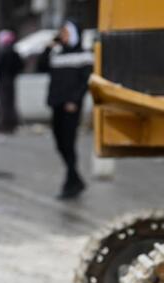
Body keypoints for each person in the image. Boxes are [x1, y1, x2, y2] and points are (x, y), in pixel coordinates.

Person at [38, 20, 93, 200]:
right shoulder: (57, 54)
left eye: (65, 33)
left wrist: (74, 100)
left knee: (69, 143)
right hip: (56, 103)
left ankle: (71, 182)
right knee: (59, 142)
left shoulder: (84, 56)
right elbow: (41, 66)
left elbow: (85, 82)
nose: (62, 36)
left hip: (71, 106)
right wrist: (49, 47)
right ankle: (75, 179)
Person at [0, 29, 24, 133]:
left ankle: (5, 125)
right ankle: (12, 125)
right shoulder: (14, 52)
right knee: (11, 103)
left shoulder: (2, 52)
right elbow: (20, 65)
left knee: (4, 103)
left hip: (3, 80)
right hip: (11, 79)